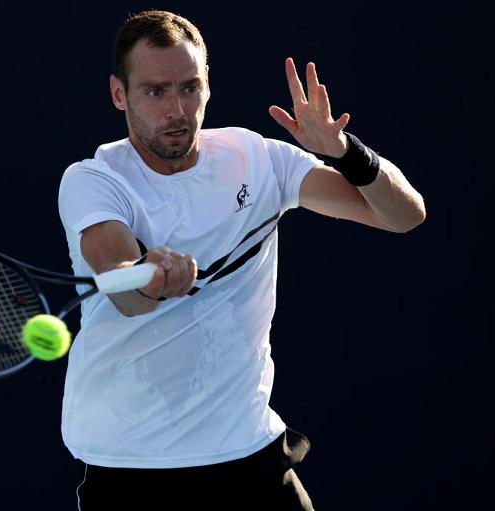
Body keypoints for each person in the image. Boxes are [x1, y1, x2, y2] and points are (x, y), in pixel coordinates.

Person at [57, 10, 425, 510]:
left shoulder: (258, 159)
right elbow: (124, 288)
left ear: (208, 85)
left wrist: (344, 152)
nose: (177, 110)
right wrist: (151, 277)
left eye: (190, 88)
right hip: (132, 470)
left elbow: (403, 216)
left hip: (251, 455)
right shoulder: (94, 180)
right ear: (119, 93)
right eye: (155, 91)